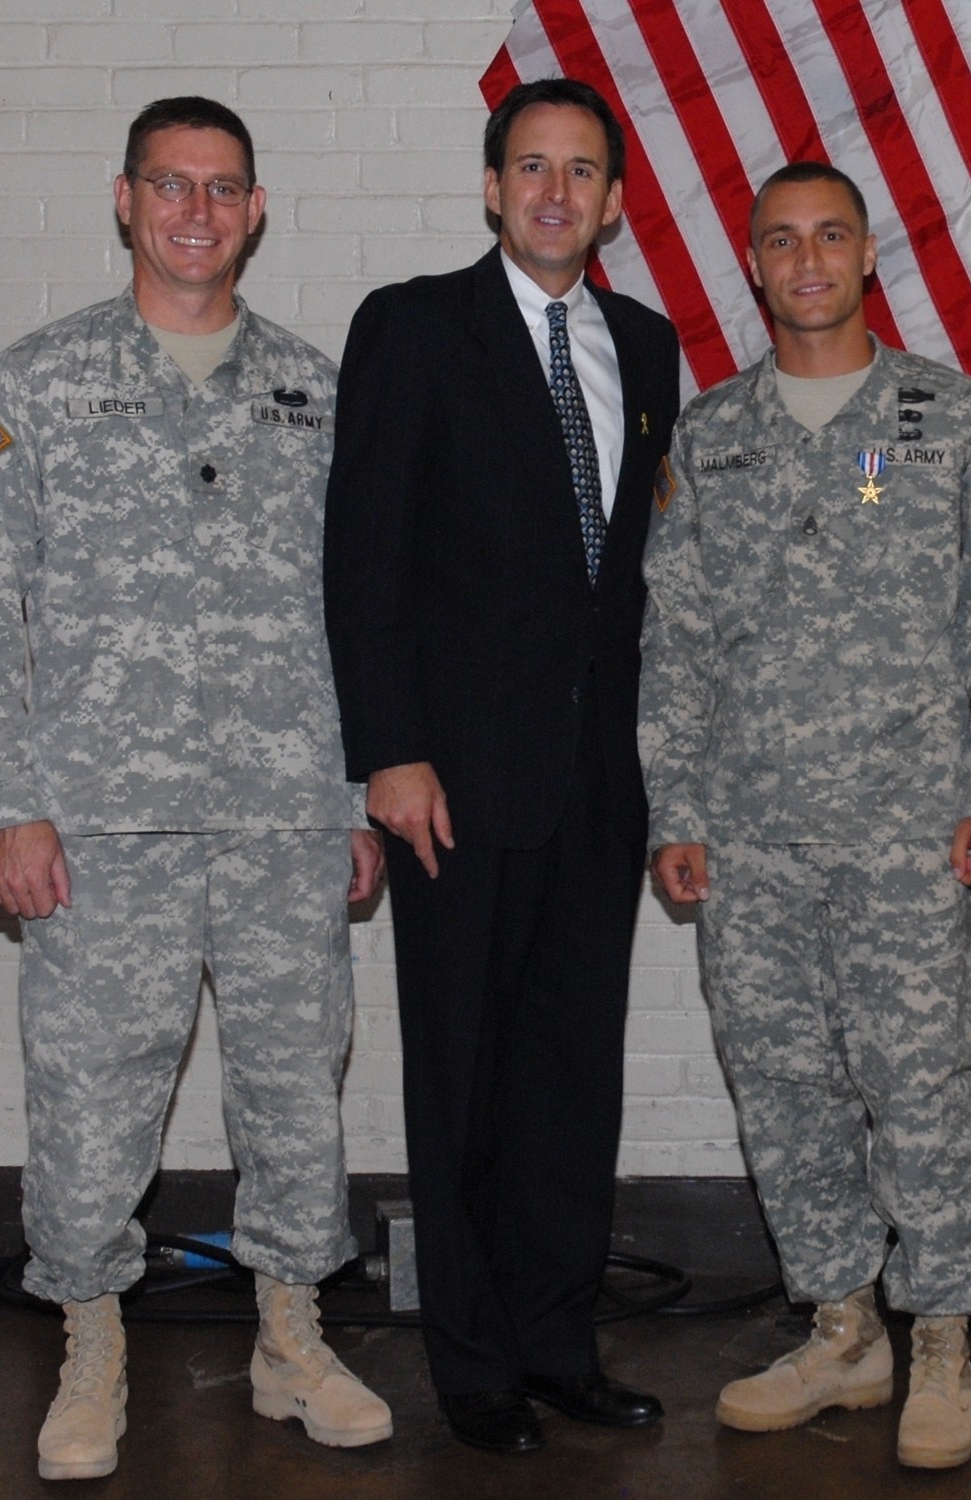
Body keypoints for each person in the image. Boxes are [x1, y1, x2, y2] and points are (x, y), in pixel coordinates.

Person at [0, 96, 391, 1482]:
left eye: (225, 188)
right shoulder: (38, 386)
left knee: (297, 1091)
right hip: (97, 828)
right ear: (123, 201)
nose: (198, 211)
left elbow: (373, 612)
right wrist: (5, 802)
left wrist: (357, 794)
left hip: (283, 819)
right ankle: (91, 1345)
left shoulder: (318, 395)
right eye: (171, 186)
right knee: (89, 1096)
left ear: (256, 211)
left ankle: (292, 1336)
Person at [638, 161, 971, 1471]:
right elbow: (678, 636)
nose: (806, 258)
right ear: (753, 266)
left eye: (829, 236)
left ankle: (938, 1336)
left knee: (920, 1089)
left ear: (868, 253)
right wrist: (675, 806)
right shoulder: (711, 434)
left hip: (908, 831)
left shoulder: (948, 415)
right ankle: (841, 1324)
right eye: (780, 241)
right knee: (782, 1085)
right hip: (754, 835)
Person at [321, 79, 680, 1456]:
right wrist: (390, 753)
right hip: (454, 786)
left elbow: (625, 579)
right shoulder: (413, 328)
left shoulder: (645, 347)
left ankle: (556, 1342)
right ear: (491, 186)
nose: (554, 192)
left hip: (598, 782)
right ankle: (473, 1363)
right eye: (530, 166)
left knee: (570, 1076)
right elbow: (367, 563)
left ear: (615, 202)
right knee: (463, 1078)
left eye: (581, 172)